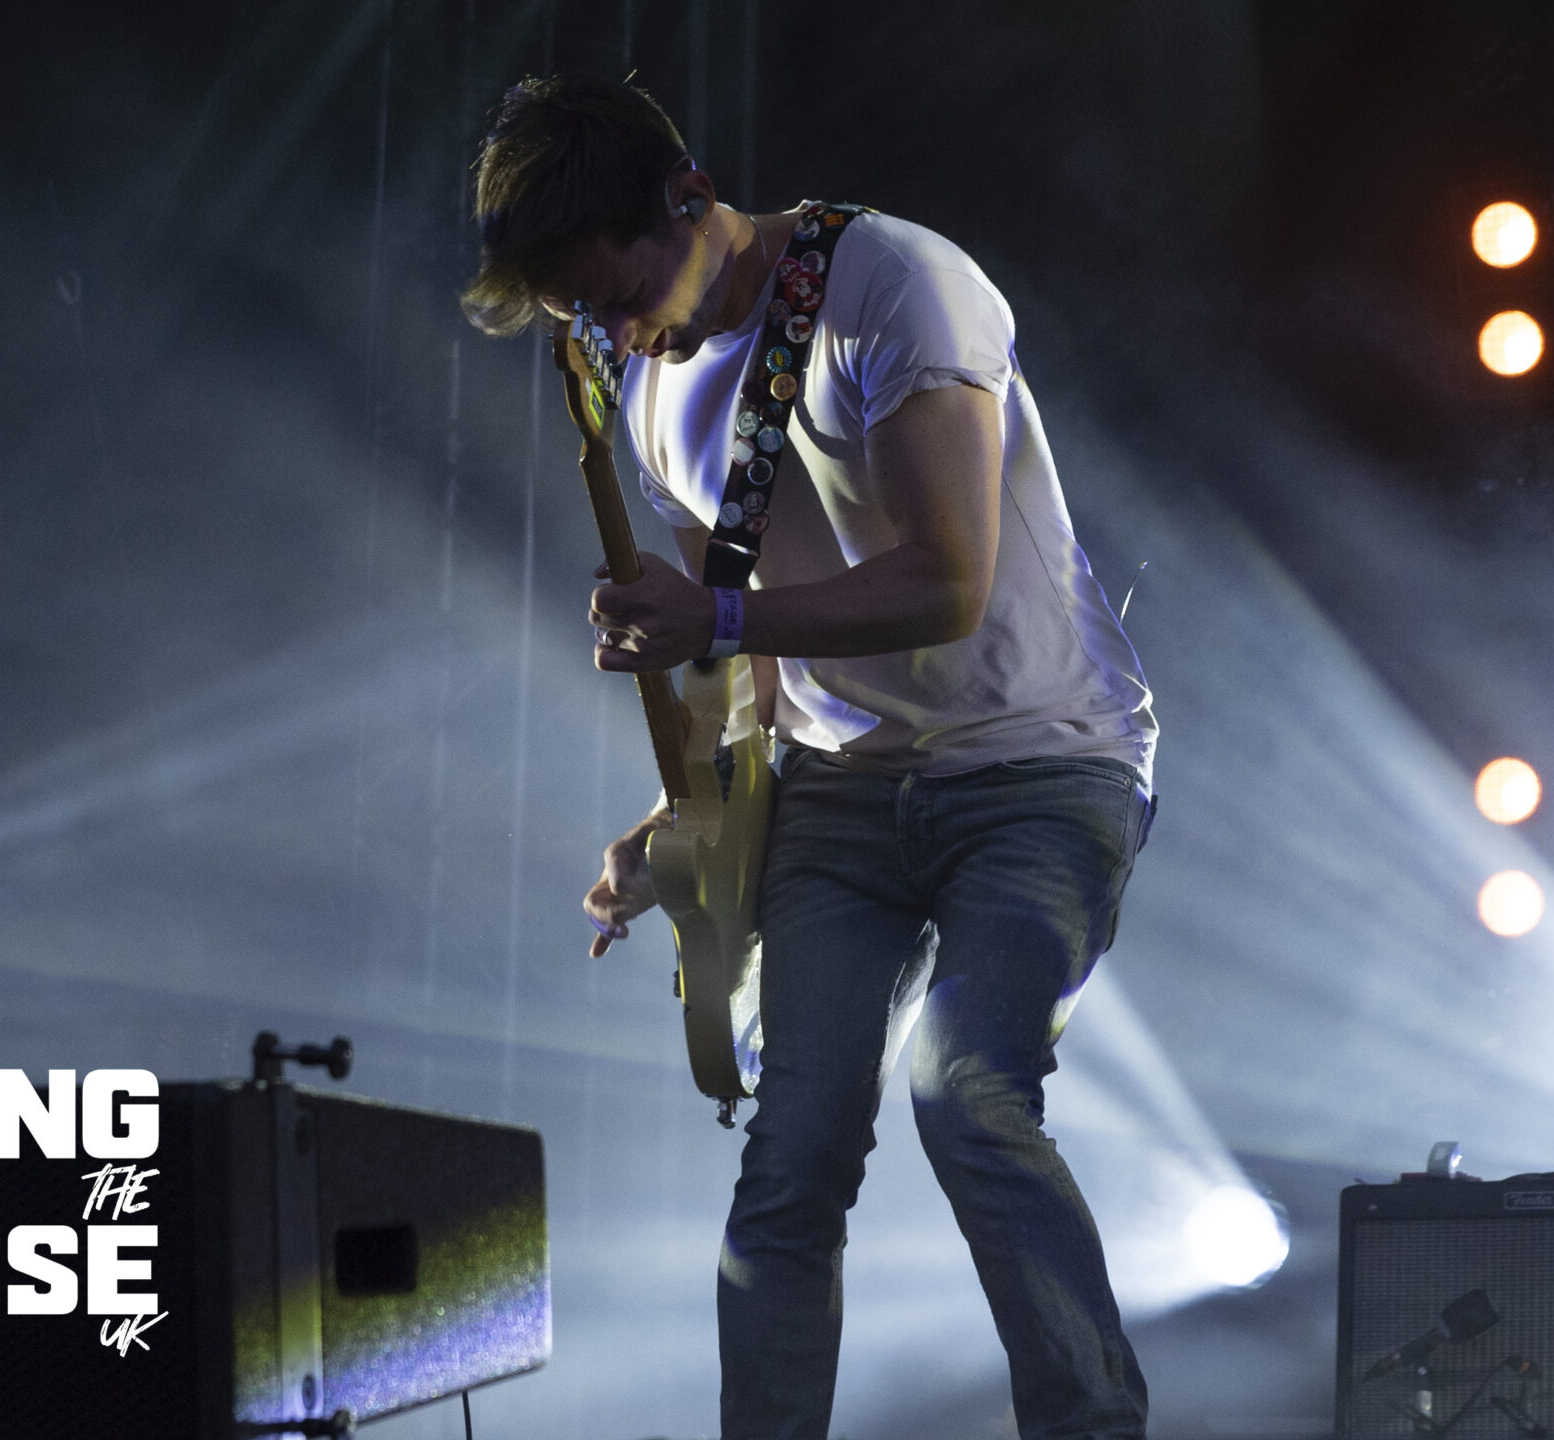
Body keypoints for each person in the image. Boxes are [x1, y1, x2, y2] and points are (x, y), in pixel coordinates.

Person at [462, 73, 1158, 1440]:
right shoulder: (649, 398)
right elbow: (754, 672)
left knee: (969, 1093)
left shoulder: (898, 287)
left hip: (1039, 766)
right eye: (586, 318)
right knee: (791, 1158)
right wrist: (682, 820)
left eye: (621, 296)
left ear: (689, 196)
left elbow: (946, 581)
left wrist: (714, 618)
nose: (618, 337)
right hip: (841, 788)